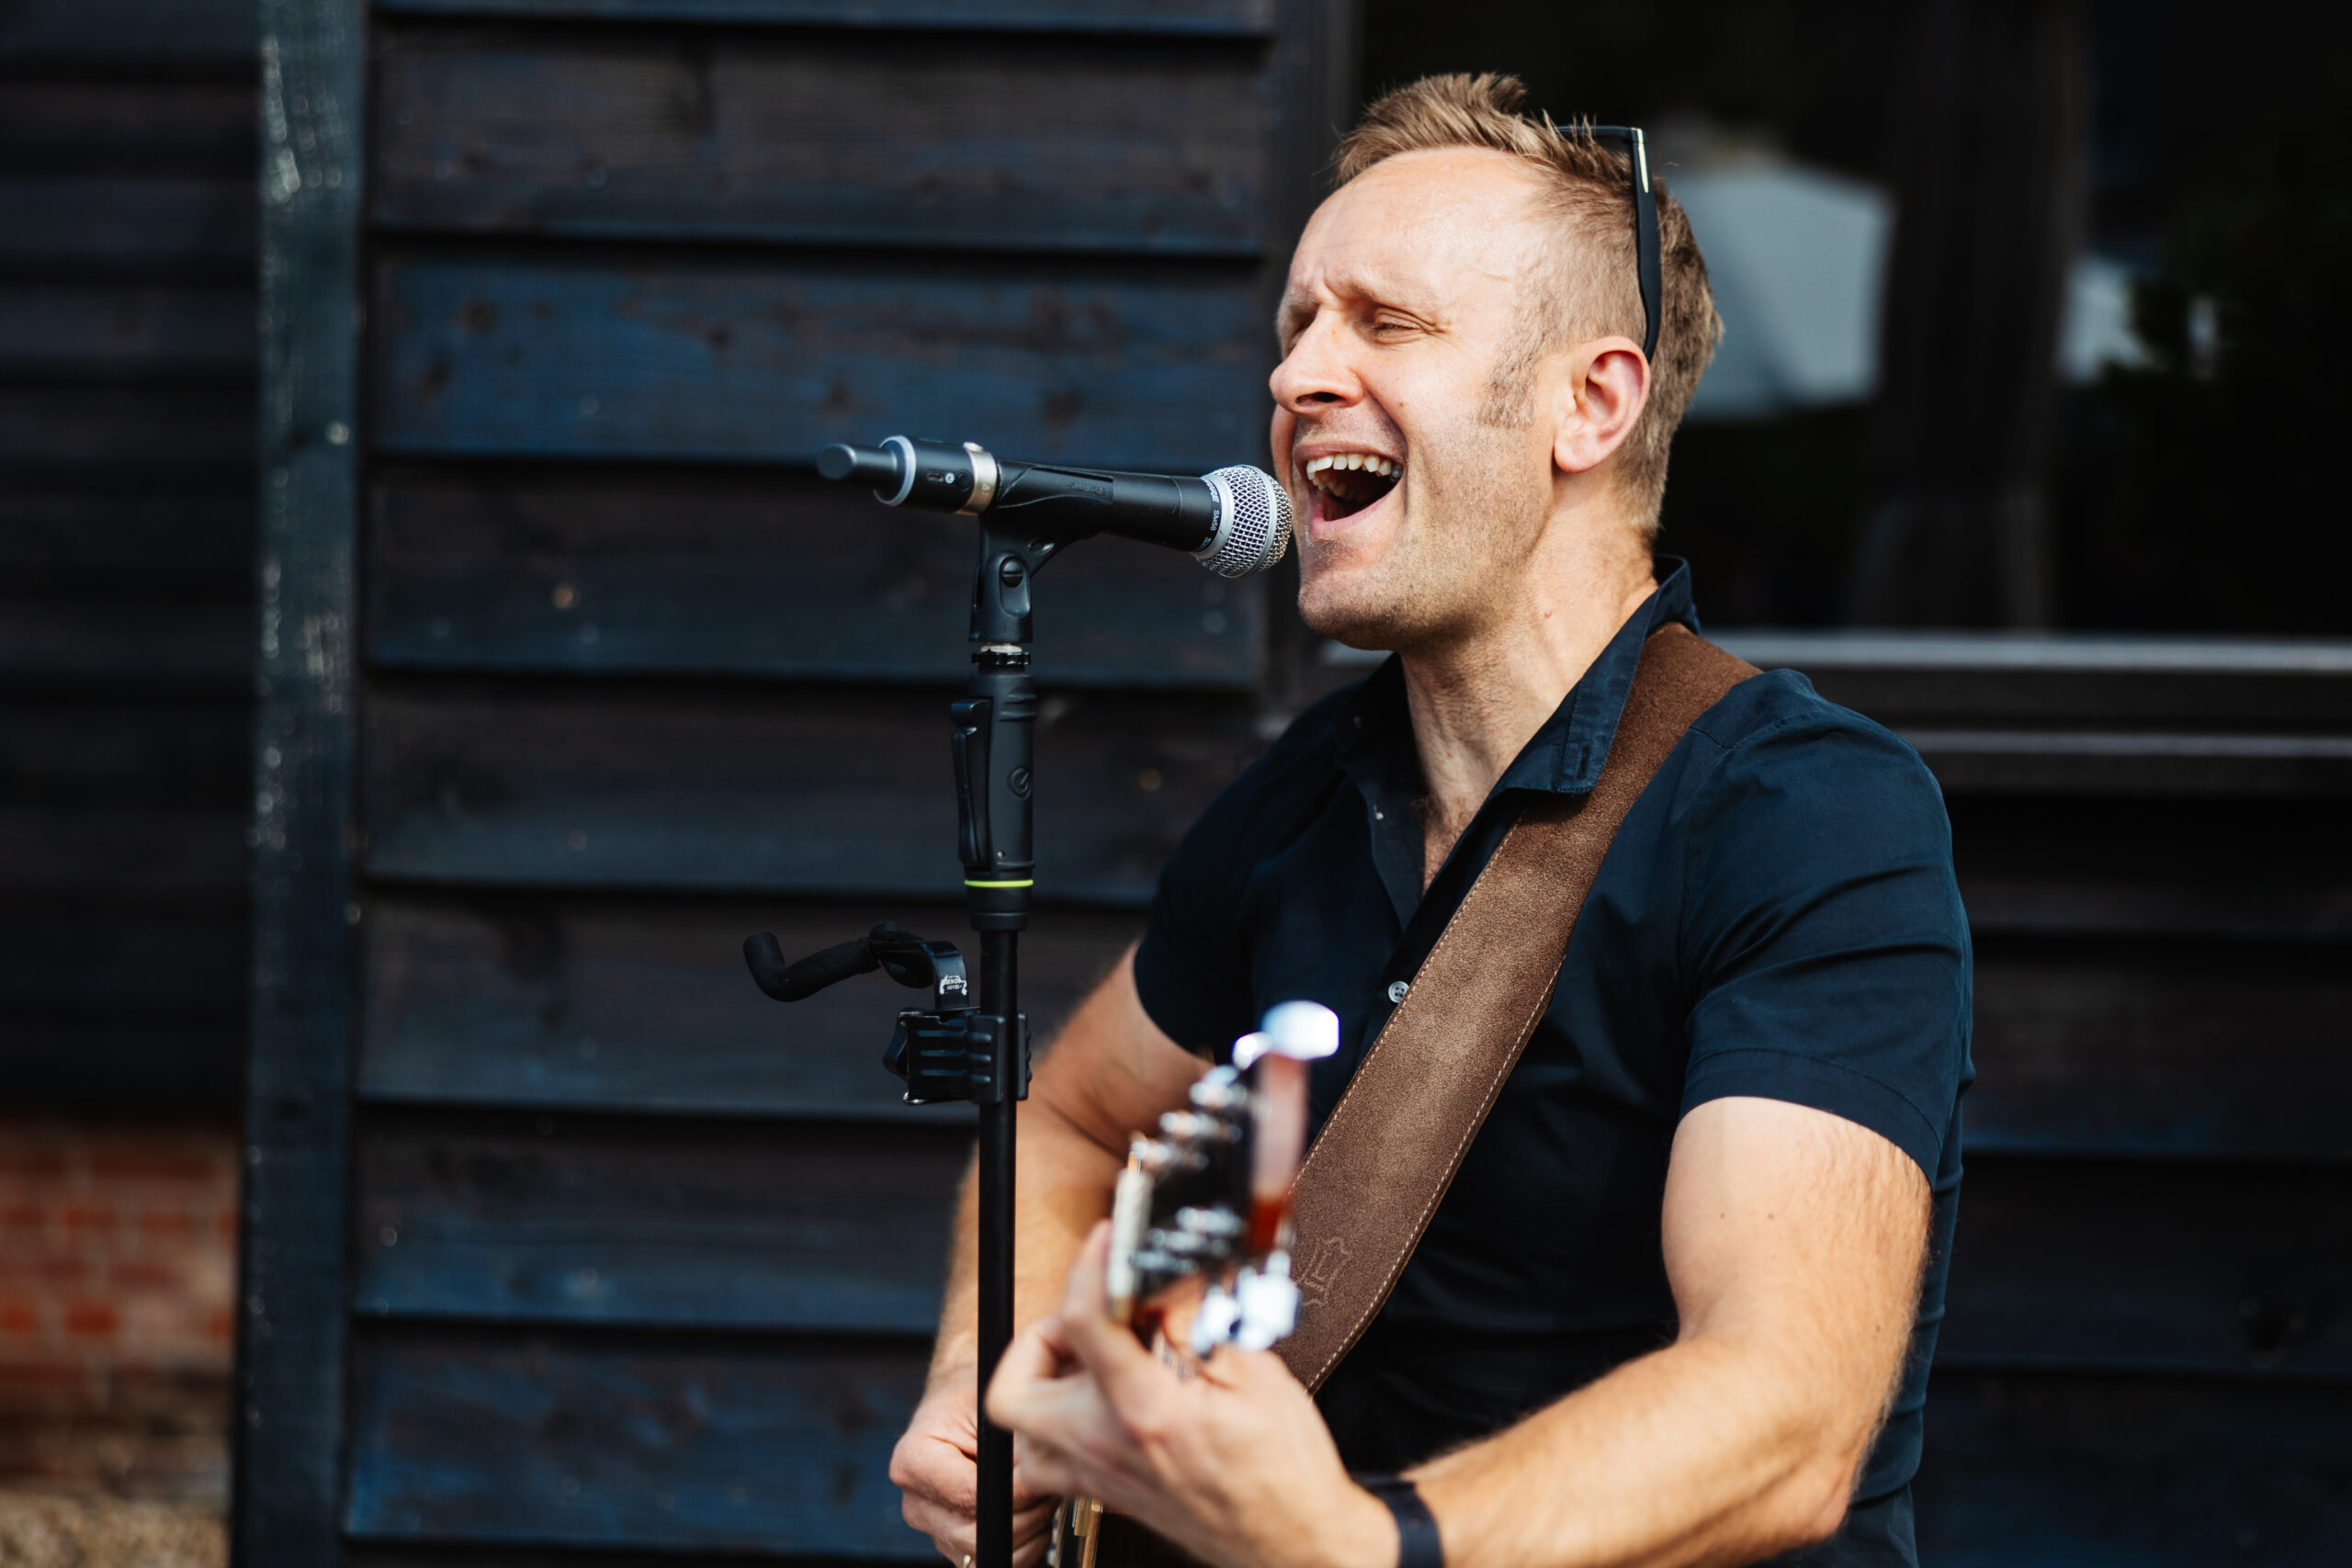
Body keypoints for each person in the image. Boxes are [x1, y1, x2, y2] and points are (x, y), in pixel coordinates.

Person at [892, 73, 1972, 1568]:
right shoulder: (1298, 804)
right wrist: (984, 1385)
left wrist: (1365, 1543)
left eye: (1384, 324)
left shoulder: (1805, 813)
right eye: (1294, 328)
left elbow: (1788, 1412)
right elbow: (1070, 1114)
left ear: (1591, 403)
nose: (1298, 378)